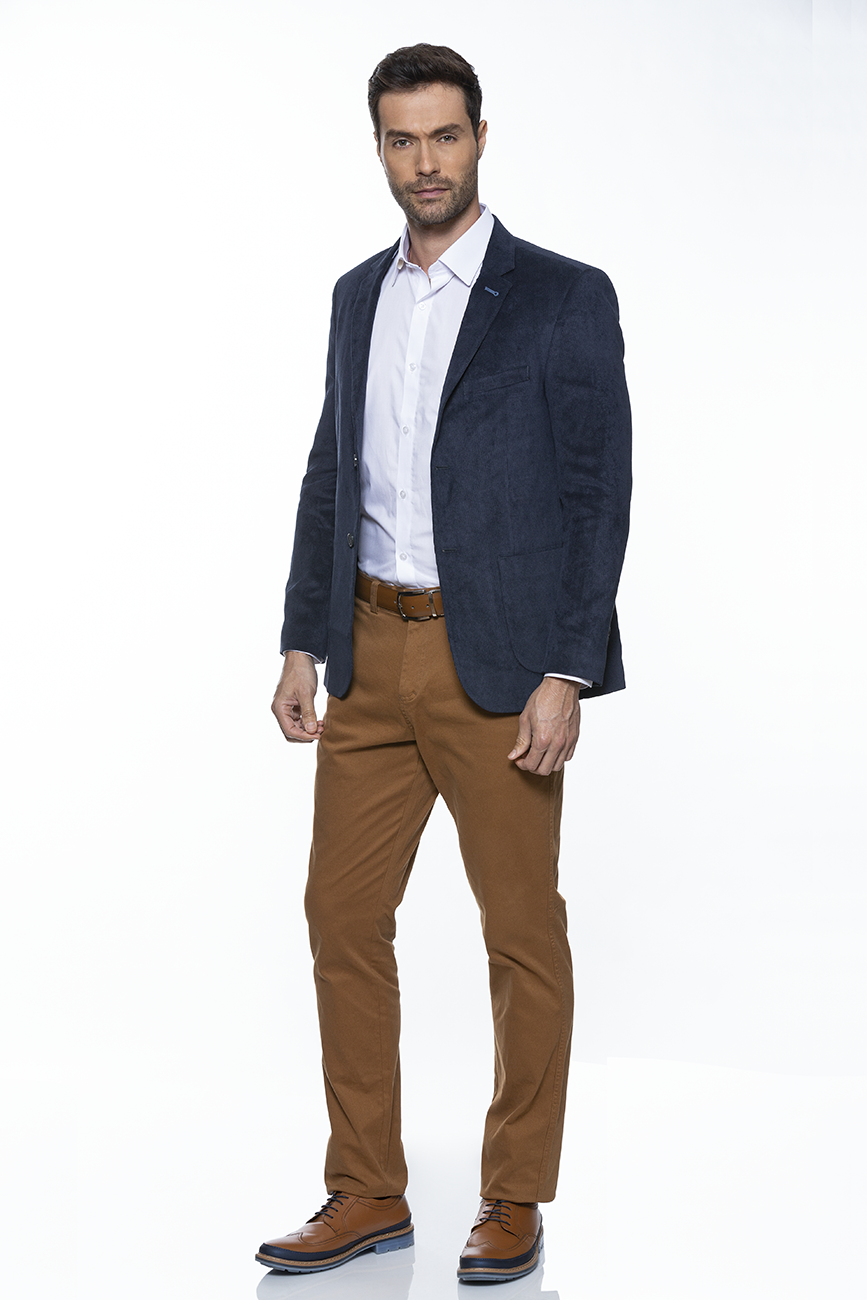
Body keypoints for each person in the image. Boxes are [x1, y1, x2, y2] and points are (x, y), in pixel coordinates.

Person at [256, 43, 631, 1284]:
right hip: (367, 651)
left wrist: (568, 668)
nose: (426, 162)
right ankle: (368, 1185)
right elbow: (331, 471)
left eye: (446, 136)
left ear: (480, 137)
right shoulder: (355, 295)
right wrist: (303, 638)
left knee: (521, 931)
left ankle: (514, 1196)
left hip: (504, 666)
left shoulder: (563, 297)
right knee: (341, 914)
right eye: (403, 140)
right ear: (379, 148)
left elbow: (598, 494)